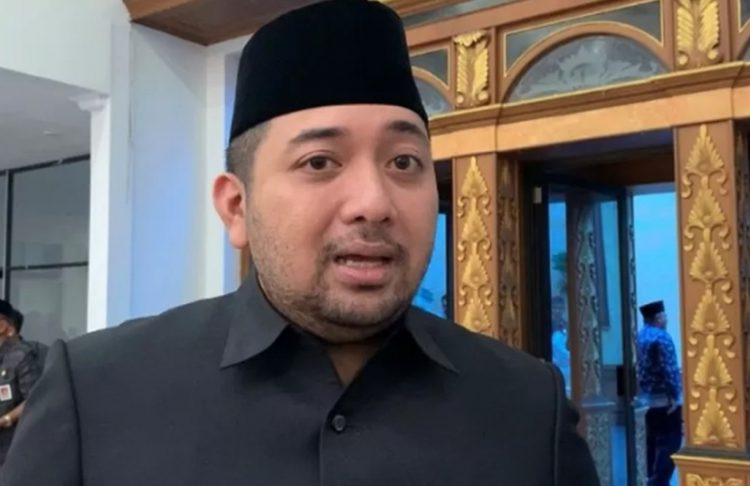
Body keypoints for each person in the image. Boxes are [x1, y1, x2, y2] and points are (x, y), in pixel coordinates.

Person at [1, 1, 599, 484]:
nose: (374, 202)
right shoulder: (98, 394)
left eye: (403, 161)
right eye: (320, 161)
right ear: (237, 207)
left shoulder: (528, 406)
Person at [637, 300, 682, 486]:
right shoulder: (662, 338)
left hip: (646, 401)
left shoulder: (639, 336)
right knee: (671, 443)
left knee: (651, 442)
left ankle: (650, 477)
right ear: (658, 318)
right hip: (665, 400)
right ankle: (659, 482)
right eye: (664, 316)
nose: (666, 319)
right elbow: (669, 370)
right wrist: (676, 397)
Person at [0, 301, 43, 467]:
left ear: (2, 326)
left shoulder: (21, 355)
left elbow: (35, 399)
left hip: (13, 447)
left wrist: (7, 419)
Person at [550, 296, 571, 392]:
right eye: (555, 308)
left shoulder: (566, 326)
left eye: (560, 308)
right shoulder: (547, 325)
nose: (558, 311)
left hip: (566, 370)